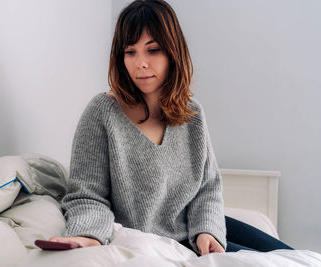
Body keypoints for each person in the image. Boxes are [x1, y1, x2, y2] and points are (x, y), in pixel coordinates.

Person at [50, 0, 293, 256]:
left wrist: (208, 231)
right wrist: (88, 235)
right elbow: (87, 194)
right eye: (130, 52)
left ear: (173, 51)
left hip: (198, 231)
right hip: (167, 244)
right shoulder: (102, 112)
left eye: (152, 50)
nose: (140, 63)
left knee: (304, 259)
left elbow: (207, 188)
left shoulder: (192, 114)